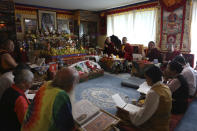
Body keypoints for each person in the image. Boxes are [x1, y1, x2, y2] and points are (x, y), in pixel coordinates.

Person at [117, 65, 172, 131]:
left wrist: (131, 113)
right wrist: (143, 106)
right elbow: (155, 106)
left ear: (151, 78)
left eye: (146, 78)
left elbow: (142, 116)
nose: (146, 81)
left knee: (120, 113)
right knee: (137, 106)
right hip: (163, 121)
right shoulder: (165, 87)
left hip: (156, 126)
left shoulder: (153, 93)